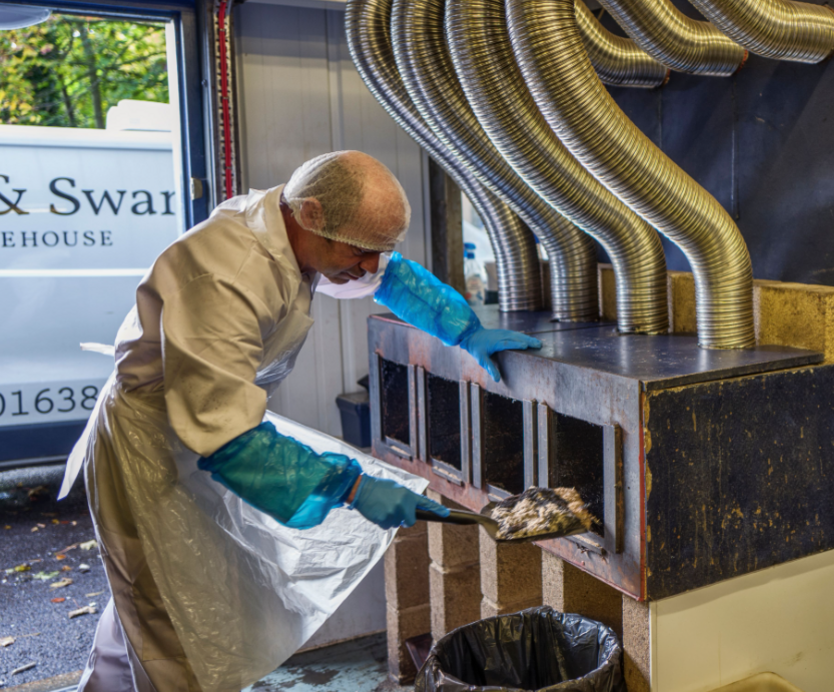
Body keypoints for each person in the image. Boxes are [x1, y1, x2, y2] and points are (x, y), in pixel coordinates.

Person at [57, 151, 541, 692]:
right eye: (358, 252)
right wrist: (351, 485)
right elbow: (232, 438)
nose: (365, 266)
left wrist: (464, 330)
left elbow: (390, 277)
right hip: (150, 448)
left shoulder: (299, 235)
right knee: (169, 622)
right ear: (310, 213)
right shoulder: (226, 275)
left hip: (203, 427)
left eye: (373, 251)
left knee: (158, 598)